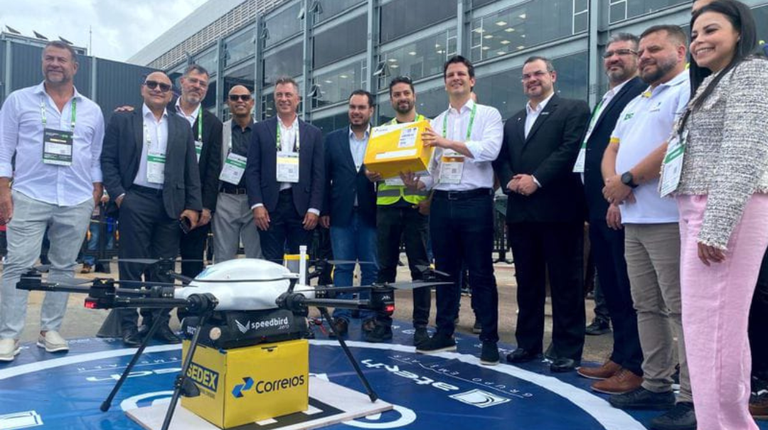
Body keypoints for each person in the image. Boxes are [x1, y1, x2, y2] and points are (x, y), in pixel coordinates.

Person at [671, 1, 768, 427]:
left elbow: (744, 151)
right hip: (698, 207)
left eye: (711, 30)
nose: (699, 41)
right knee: (714, 331)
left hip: (724, 209)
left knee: (711, 333)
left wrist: (717, 226)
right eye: (694, 34)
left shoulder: (752, 73)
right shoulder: (712, 82)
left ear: (739, 31)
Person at [601, 25, 695, 430]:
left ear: (681, 50)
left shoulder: (688, 89)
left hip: (669, 217)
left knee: (682, 310)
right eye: (641, 51)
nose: (644, 57)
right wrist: (614, 188)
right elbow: (612, 148)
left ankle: (692, 396)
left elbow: (677, 144)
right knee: (646, 306)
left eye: (654, 49)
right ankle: (656, 383)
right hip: (634, 218)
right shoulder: (639, 98)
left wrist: (628, 180)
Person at [0, 41, 105, 361]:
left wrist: (95, 192)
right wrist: (3, 190)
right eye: (49, 58)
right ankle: (9, 335)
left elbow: (95, 156)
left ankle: (50, 330)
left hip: (75, 198)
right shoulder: (19, 100)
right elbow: (4, 149)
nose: (55, 64)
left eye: (61, 59)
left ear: (75, 66)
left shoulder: (92, 110)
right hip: (29, 194)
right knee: (17, 265)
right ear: (42, 62)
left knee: (64, 266)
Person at [403, 55, 503, 366]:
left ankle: (489, 339)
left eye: (461, 74)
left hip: (476, 202)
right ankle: (444, 333)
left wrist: (446, 142)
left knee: (481, 272)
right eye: (450, 75)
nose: (455, 78)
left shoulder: (488, 114)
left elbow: (490, 150)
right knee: (445, 273)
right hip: (443, 203)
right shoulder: (434, 123)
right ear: (445, 83)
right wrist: (416, 183)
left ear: (472, 80)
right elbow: (433, 172)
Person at [493, 56, 590, 373]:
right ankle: (528, 343)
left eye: (537, 73)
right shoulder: (513, 121)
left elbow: (569, 149)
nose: (531, 80)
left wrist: (536, 180)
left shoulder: (574, 109)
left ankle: (567, 348)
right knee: (527, 283)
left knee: (565, 283)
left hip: (559, 211)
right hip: (521, 213)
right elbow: (501, 159)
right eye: (526, 76)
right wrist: (510, 180)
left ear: (553, 76)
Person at [101, 71, 202, 347]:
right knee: (132, 266)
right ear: (142, 89)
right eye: (152, 84)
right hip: (135, 199)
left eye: (164, 86)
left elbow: (190, 169)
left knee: (164, 269)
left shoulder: (181, 125)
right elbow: (108, 160)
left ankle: (157, 323)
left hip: (169, 204)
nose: (158, 89)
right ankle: (128, 325)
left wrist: (193, 206)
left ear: (171, 94)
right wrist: (120, 196)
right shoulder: (123, 119)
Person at [574, 33, 646, 393]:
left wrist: (614, 200)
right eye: (609, 54)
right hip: (599, 205)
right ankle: (620, 355)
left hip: (619, 205)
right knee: (612, 286)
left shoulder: (639, 93)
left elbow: (630, 150)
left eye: (623, 53)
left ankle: (637, 364)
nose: (614, 58)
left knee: (628, 287)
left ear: (637, 57)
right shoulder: (609, 97)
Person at [365, 76, 432, 346]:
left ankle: (421, 327)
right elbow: (370, 167)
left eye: (406, 93)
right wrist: (370, 174)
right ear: (391, 100)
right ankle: (383, 323)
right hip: (388, 207)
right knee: (385, 269)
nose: (402, 98)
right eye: (396, 94)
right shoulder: (382, 132)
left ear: (414, 95)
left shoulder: (428, 127)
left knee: (421, 270)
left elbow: (437, 167)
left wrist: (430, 200)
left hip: (417, 206)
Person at [320, 90, 379, 339]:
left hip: (372, 213)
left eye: (361, 107)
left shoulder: (381, 138)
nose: (356, 112)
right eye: (353, 107)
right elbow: (323, 177)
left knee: (371, 268)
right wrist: (324, 209)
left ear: (371, 110)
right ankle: (341, 317)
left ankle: (368, 316)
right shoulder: (332, 140)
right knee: (343, 268)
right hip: (340, 214)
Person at [245, 77, 324, 262]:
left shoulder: (313, 133)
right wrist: (257, 205)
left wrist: (314, 208)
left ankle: (297, 284)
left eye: (288, 94)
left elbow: (319, 174)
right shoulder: (260, 129)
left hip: (302, 207)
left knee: (299, 261)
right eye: (279, 95)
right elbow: (252, 170)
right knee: (271, 262)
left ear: (298, 99)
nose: (283, 99)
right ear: (274, 99)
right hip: (269, 206)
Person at [174, 65, 222, 279]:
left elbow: (213, 169)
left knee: (192, 262)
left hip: (196, 204)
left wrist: (206, 206)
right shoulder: (163, 112)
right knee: (160, 260)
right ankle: (157, 302)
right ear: (182, 82)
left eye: (202, 84)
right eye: (193, 81)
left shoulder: (213, 124)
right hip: (163, 199)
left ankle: (190, 301)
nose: (197, 86)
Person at [213, 85, 262, 262]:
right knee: (223, 257)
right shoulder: (219, 130)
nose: (240, 101)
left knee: (256, 258)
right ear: (228, 102)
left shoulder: (263, 130)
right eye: (234, 98)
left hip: (254, 201)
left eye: (244, 97)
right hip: (225, 198)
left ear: (252, 102)